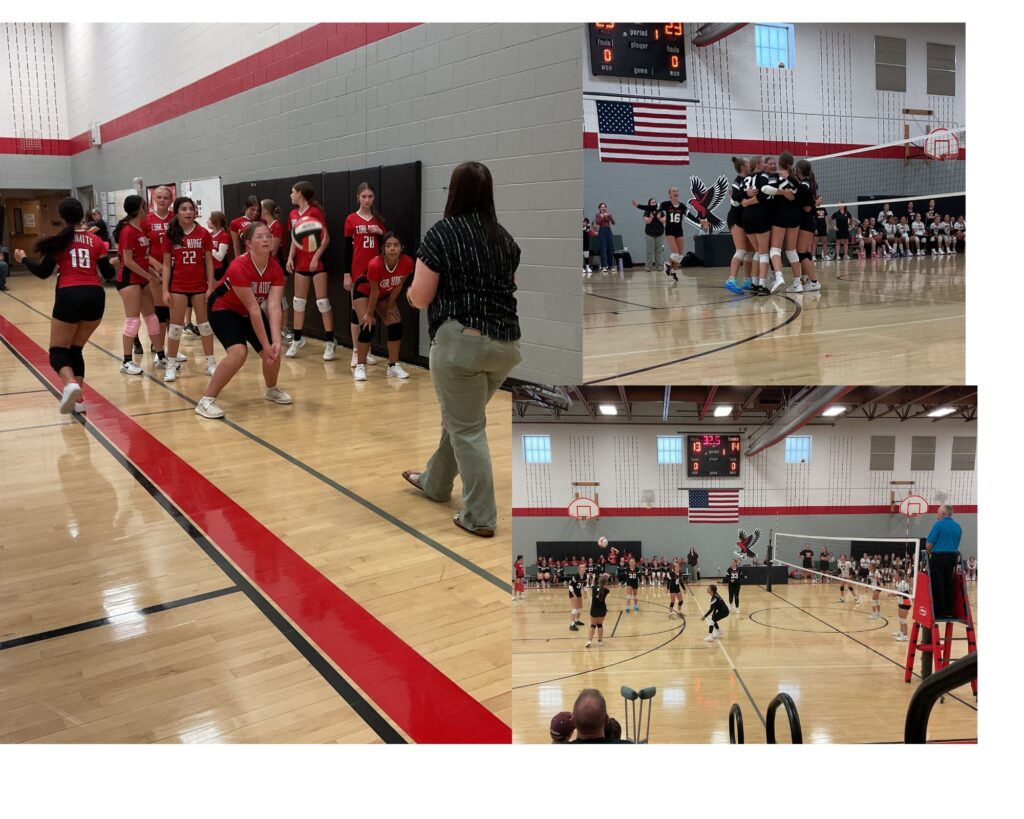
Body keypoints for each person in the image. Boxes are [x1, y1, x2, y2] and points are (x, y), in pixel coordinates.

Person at [402, 161, 521, 538]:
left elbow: (420, 297)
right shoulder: (505, 239)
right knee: (460, 419)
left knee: (467, 428)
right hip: (505, 346)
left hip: (461, 345)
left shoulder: (441, 234)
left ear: (454, 192)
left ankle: (480, 516)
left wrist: (406, 292)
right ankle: (436, 483)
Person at [13, 197, 115, 413]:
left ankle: (70, 385)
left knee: (58, 351)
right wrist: (114, 263)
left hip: (70, 294)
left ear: (62, 217)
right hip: (96, 296)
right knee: (75, 350)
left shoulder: (60, 240)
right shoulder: (96, 241)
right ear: (83, 216)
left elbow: (43, 272)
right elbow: (108, 275)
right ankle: (79, 402)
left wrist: (23, 259)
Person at [196, 221, 292, 419]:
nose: (266, 239)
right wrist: (265, 344)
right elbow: (254, 308)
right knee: (238, 353)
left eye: (268, 235)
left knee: (274, 352)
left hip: (250, 311)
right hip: (223, 308)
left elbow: (273, 307)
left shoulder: (275, 270)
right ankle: (206, 400)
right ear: (248, 243)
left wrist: (275, 341)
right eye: (260, 236)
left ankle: (271, 389)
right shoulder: (238, 266)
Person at [162, 197, 216, 382]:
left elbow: (209, 261)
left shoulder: (203, 233)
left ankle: (210, 363)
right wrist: (164, 290)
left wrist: (211, 286)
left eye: (191, 209)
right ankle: (170, 366)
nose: (188, 212)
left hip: (199, 286)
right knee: (176, 328)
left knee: (205, 326)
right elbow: (166, 265)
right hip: (178, 286)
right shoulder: (170, 235)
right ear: (176, 212)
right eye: (184, 209)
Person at [113, 194, 165, 375]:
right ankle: (127, 361)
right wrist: (148, 277)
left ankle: (161, 356)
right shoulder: (127, 231)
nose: (148, 209)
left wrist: (153, 274)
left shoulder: (139, 230)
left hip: (141, 279)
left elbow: (142, 259)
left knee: (152, 318)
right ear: (139, 209)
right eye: (145, 205)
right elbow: (127, 261)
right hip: (128, 281)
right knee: (132, 321)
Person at [351, 231, 412, 380]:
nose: (392, 249)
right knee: (367, 326)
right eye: (389, 245)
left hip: (385, 294)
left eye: (396, 245)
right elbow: (374, 291)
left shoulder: (408, 262)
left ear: (401, 248)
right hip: (364, 291)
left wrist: (390, 307)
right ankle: (360, 366)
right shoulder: (375, 264)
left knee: (396, 326)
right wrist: (370, 314)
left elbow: (398, 287)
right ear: (383, 249)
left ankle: (393, 366)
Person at [285, 180, 334, 359]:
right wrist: (290, 257)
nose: (290, 195)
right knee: (298, 302)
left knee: (322, 303)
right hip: (300, 264)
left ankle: (330, 342)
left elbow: (326, 238)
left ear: (300, 194)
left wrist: (316, 256)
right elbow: (294, 238)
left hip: (317, 264)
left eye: (292, 192)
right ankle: (297, 340)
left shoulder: (315, 212)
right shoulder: (292, 214)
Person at [344, 182, 386, 368]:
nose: (367, 200)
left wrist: (380, 234)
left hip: (374, 272)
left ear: (374, 198)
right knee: (356, 312)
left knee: (370, 310)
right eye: (364, 196)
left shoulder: (378, 221)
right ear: (358, 197)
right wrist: (347, 274)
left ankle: (367, 351)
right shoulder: (351, 219)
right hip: (357, 271)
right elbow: (347, 249)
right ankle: (356, 350)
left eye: (370, 196)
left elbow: (388, 249)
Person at [141, 186, 178, 366]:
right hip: (154, 269)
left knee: (174, 311)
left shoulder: (176, 219)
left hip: (175, 269)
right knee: (160, 311)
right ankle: (159, 349)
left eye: (166, 197)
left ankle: (173, 350)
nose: (162, 200)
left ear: (171, 200)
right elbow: (140, 249)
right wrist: (155, 265)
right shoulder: (146, 220)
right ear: (153, 199)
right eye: (159, 197)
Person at [926, 504, 962, 619]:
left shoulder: (938, 525)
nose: (937, 515)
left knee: (937, 583)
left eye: (938, 512)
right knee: (949, 583)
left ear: (942, 514)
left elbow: (928, 545)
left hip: (939, 557)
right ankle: (948, 610)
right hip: (953, 557)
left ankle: (939, 611)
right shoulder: (958, 526)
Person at [725, 157, 753, 293]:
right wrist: (745, 194)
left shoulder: (749, 180)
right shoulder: (737, 182)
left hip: (746, 219)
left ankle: (747, 280)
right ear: (742, 167)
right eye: (748, 164)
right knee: (741, 250)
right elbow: (735, 198)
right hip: (736, 218)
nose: (750, 166)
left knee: (750, 252)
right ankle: (731, 280)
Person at [632, 198, 666, 273]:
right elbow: (646, 221)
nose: (653, 203)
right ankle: (648, 267)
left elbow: (664, 220)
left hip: (660, 233)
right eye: (652, 202)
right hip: (649, 234)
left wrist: (659, 217)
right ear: (649, 204)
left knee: (659, 251)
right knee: (649, 251)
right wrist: (651, 217)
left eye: (654, 202)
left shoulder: (660, 210)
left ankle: (659, 266)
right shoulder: (647, 211)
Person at [661, 186, 687, 281]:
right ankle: (667, 264)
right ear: (670, 194)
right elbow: (655, 208)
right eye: (673, 191)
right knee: (675, 254)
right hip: (670, 231)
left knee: (679, 257)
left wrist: (700, 221)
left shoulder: (682, 206)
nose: (676, 192)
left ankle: (673, 272)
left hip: (679, 232)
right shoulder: (666, 204)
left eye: (677, 190)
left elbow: (690, 216)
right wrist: (639, 206)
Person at [207, 211, 232, 281]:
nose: (207, 221)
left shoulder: (224, 235)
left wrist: (209, 249)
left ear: (215, 222)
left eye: (209, 219)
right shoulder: (209, 235)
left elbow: (220, 257)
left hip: (220, 268)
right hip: (211, 267)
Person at [586, 576, 610, 648]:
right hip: (602, 610)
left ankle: (589, 641)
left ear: (598, 581)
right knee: (600, 625)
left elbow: (592, 584)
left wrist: (593, 578)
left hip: (594, 609)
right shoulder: (606, 590)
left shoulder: (594, 588)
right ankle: (600, 641)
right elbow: (604, 585)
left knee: (592, 625)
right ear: (606, 583)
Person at [593, 202, 615, 273]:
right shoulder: (597, 215)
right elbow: (598, 222)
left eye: (604, 207)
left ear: (606, 208)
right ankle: (604, 266)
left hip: (608, 231)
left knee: (610, 248)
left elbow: (613, 222)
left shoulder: (609, 214)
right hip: (602, 231)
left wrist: (609, 216)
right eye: (602, 207)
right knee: (603, 249)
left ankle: (610, 266)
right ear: (599, 208)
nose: (603, 208)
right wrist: (602, 217)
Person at [893, 570, 911, 641]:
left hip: (906, 603)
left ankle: (905, 635)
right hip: (901, 602)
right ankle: (901, 631)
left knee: (903, 619)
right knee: (900, 618)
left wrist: (893, 594)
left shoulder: (903, 584)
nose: (894, 576)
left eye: (896, 575)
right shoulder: (898, 583)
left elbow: (902, 594)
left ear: (899, 576)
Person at [568, 563, 585, 631]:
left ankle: (577, 620)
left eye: (584, 567)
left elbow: (584, 585)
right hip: (572, 593)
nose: (584, 568)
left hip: (578, 592)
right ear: (579, 569)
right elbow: (570, 586)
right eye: (582, 567)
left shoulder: (585, 576)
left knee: (580, 607)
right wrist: (574, 594)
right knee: (575, 608)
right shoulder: (576, 576)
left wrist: (585, 592)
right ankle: (571, 625)